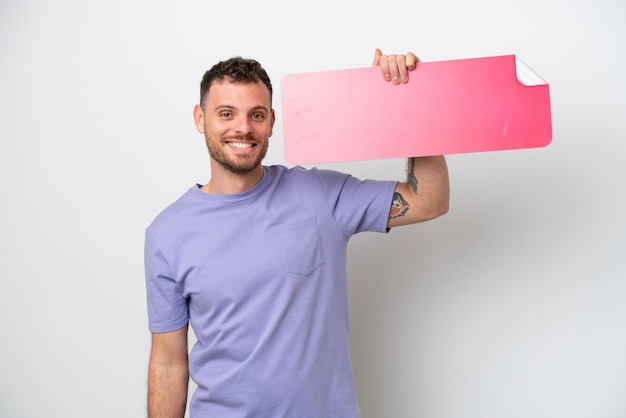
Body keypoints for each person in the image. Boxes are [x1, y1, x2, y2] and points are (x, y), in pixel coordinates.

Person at [145, 48, 450, 418]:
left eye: (256, 115)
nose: (243, 128)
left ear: (272, 121)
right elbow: (168, 362)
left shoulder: (319, 193)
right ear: (200, 118)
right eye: (226, 113)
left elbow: (428, 200)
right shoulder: (167, 233)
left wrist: (408, 100)